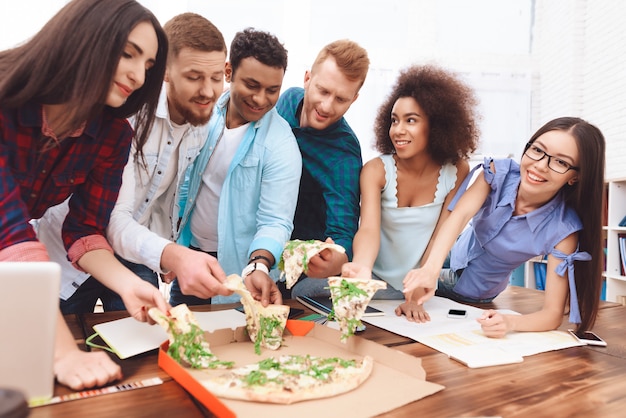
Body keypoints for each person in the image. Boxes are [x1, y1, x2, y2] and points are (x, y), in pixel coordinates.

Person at [0, 0, 168, 389]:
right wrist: (62, 353)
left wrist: (127, 284)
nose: (138, 76)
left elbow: (84, 229)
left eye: (147, 66)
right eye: (128, 54)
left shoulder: (112, 135)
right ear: (83, 36)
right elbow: (10, 233)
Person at [37, 12, 233, 313]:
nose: (208, 91)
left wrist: (164, 248)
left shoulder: (200, 124)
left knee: (146, 344)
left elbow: (163, 198)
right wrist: (172, 254)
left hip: (131, 248)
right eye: (194, 77)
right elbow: (110, 220)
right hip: (71, 251)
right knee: (62, 339)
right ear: (165, 72)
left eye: (216, 77)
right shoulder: (125, 116)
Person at [403, 117, 605, 337]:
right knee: (397, 266)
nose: (540, 165)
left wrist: (509, 322)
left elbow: (552, 314)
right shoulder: (497, 173)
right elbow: (460, 216)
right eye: (537, 150)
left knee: (396, 283)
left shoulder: (564, 230)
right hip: (454, 251)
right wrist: (430, 269)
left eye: (560, 162)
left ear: (574, 177)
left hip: (471, 287)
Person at [339, 65, 480, 322]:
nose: (398, 130)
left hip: (418, 280)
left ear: (436, 125)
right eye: (394, 120)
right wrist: (362, 268)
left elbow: (440, 236)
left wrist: (415, 295)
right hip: (375, 277)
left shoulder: (457, 170)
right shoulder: (376, 170)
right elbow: (368, 229)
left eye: (410, 120)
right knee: (307, 291)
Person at [172, 28, 301, 306]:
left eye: (272, 90)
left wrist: (259, 265)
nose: (260, 99)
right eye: (252, 85)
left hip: (241, 276)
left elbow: (276, 221)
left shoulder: (281, 145)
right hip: (190, 258)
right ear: (228, 72)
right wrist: (171, 246)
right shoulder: (204, 113)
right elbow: (182, 184)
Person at [275, 39, 369, 297]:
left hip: (293, 270)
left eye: (341, 99)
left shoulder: (344, 153)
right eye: (323, 91)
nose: (327, 106)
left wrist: (337, 257)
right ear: (307, 78)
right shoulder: (286, 101)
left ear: (354, 99)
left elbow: (343, 232)